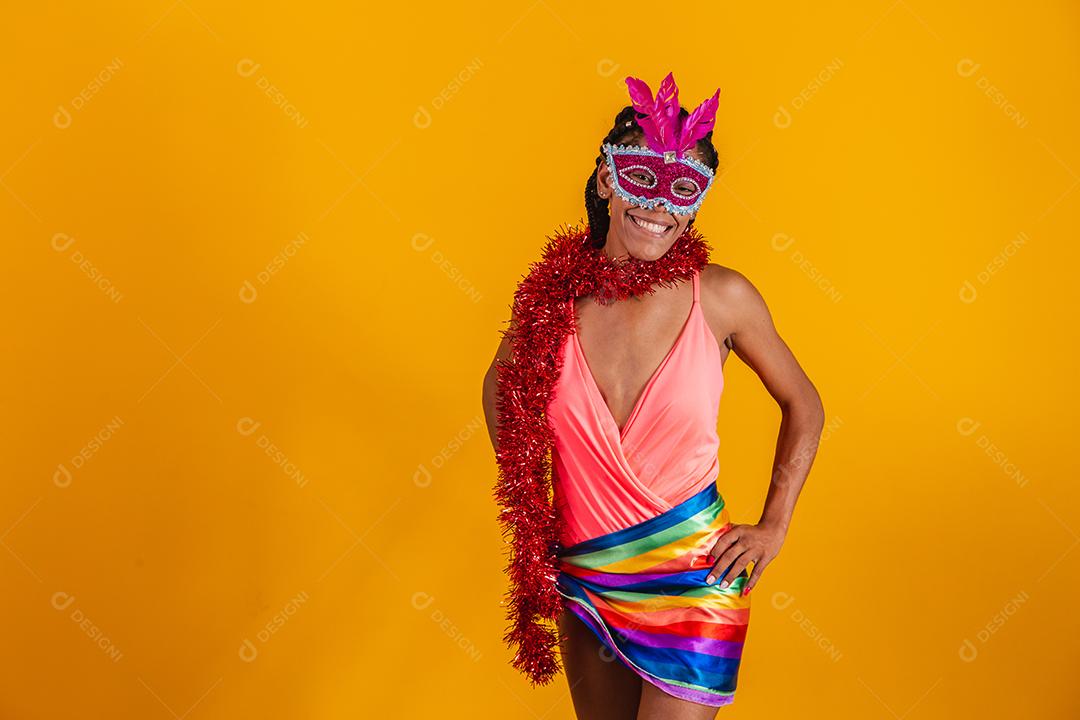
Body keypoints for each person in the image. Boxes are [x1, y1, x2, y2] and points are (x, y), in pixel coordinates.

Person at [482, 72, 825, 720]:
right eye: (644, 178)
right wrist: (535, 507)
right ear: (609, 179)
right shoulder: (550, 306)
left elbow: (805, 404)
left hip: (696, 578)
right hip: (585, 572)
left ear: (697, 203)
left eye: (684, 187)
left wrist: (774, 525)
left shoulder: (721, 297)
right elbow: (500, 387)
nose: (661, 205)